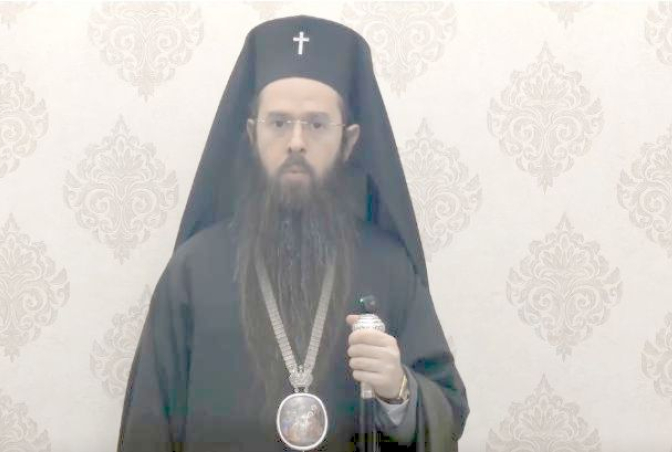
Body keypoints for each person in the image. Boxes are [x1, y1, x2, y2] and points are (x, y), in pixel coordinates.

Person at [118, 15, 468, 452]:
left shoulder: (389, 267)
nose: (297, 141)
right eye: (279, 122)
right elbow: (147, 425)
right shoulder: (192, 270)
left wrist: (398, 391)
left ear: (349, 141)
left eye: (317, 124)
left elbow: (448, 409)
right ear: (252, 134)